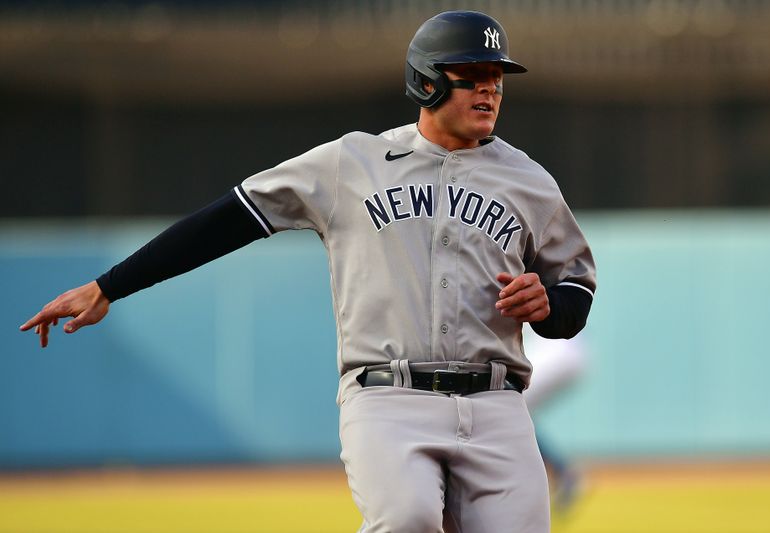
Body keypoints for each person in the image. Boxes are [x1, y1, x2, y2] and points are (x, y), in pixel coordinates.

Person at [21, 11, 596, 533]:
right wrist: (109, 287)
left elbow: (574, 288)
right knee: (407, 520)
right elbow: (229, 220)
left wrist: (547, 303)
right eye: (473, 73)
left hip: (497, 402)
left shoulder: (530, 181)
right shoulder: (353, 162)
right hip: (388, 396)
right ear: (428, 80)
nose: (490, 88)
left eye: (497, 76)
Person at [522, 331, 590, 512]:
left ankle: (562, 473)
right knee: (513, 411)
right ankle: (562, 472)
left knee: (510, 406)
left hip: (557, 351)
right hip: (565, 351)